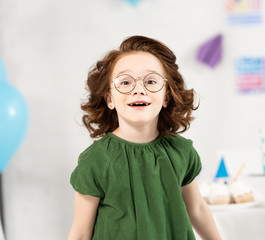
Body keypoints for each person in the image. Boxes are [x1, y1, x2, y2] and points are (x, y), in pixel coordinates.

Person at [68, 35, 222, 240]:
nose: (138, 89)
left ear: (166, 96)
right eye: (125, 82)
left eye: (150, 81)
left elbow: (197, 209)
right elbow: (80, 233)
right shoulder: (96, 160)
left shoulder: (181, 152)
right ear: (110, 99)